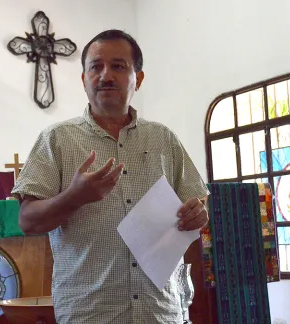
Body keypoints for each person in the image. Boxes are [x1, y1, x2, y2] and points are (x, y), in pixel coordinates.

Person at [11, 29, 210, 324]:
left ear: (138, 79)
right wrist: (74, 197)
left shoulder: (164, 139)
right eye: (96, 66)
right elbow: (27, 221)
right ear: (83, 79)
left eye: (118, 66)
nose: (106, 75)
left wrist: (198, 214)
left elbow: (198, 204)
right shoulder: (56, 139)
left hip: (160, 312)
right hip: (90, 313)